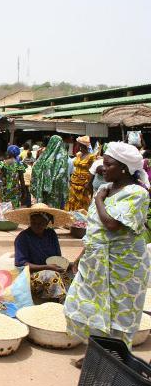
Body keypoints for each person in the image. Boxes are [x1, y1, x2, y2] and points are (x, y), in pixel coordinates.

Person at [64, 142, 150, 364]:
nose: (103, 168)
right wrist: (80, 257)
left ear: (124, 168)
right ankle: (97, 353)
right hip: (96, 262)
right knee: (84, 305)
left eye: (108, 164)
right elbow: (96, 231)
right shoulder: (107, 189)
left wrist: (99, 200)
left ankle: (112, 360)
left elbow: (112, 224)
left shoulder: (136, 193)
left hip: (123, 265)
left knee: (118, 313)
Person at [5, 204, 74, 302]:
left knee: (72, 273)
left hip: (52, 269)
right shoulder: (22, 238)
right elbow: (21, 264)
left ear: (47, 223)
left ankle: (70, 299)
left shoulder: (51, 234)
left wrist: (68, 265)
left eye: (41, 223)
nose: (37, 226)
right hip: (31, 275)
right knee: (51, 276)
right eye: (34, 222)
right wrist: (47, 267)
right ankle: (58, 303)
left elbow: (57, 258)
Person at [30, 135, 69, 209]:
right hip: (48, 188)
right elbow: (36, 166)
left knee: (50, 209)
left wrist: (48, 181)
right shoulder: (49, 153)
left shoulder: (50, 154)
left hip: (51, 189)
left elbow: (62, 172)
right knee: (47, 209)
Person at [65, 136, 96, 211]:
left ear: (82, 145)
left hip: (84, 181)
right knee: (72, 199)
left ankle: (81, 217)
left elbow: (93, 171)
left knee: (82, 199)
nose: (76, 145)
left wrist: (89, 183)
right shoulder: (78, 154)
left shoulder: (91, 157)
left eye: (78, 144)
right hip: (74, 180)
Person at [0, 145, 26, 209]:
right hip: (15, 190)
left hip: (4, 189)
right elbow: (22, 180)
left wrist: (3, 174)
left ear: (8, 153)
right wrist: (24, 191)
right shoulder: (19, 165)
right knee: (14, 209)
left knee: (4, 208)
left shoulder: (2, 163)